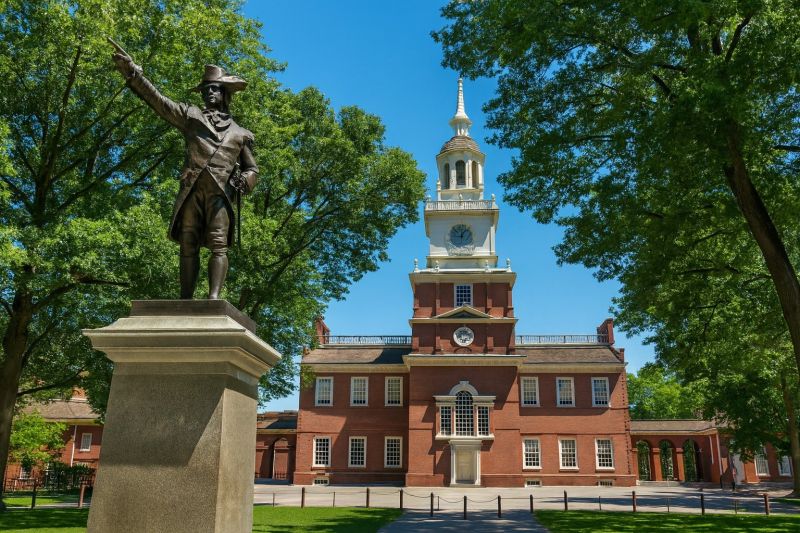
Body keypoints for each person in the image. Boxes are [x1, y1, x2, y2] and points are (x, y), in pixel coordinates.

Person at [111, 50, 258, 299]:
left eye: (214, 88)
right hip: (191, 191)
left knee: (218, 245)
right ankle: (185, 298)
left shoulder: (241, 134)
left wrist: (246, 180)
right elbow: (159, 101)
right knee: (187, 245)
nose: (209, 93)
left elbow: (252, 168)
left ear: (225, 93)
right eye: (206, 90)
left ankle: (213, 298)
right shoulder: (191, 117)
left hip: (220, 193)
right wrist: (133, 73)